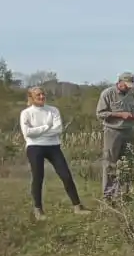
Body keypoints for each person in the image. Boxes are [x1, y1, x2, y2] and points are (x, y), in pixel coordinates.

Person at [19, 86, 89, 219]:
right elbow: (27, 133)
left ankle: (77, 206)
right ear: (31, 98)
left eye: (43, 94)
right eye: (38, 95)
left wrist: (38, 131)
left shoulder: (53, 110)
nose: (41, 97)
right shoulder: (26, 113)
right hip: (34, 147)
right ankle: (38, 210)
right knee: (38, 177)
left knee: (66, 175)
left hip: (53, 146)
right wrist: (47, 127)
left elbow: (58, 130)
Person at [96, 72, 134, 202]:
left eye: (130, 85)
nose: (128, 87)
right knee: (110, 164)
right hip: (112, 132)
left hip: (129, 131)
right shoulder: (108, 93)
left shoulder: (132, 95)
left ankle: (123, 194)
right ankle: (108, 196)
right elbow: (100, 114)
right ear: (120, 82)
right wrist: (120, 115)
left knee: (127, 163)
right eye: (126, 85)